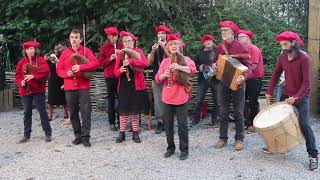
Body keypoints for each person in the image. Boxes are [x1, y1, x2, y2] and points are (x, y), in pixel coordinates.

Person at [265, 31, 318, 171]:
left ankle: (313, 156)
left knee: (304, 124)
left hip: (302, 96)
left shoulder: (304, 58)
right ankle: (275, 147)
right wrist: (269, 91)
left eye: (285, 44)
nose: (283, 47)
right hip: (286, 94)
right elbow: (276, 73)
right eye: (281, 44)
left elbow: (307, 83)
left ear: (293, 43)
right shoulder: (282, 56)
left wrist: (296, 97)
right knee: (275, 120)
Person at [211, 21, 253, 151]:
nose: (223, 33)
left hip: (238, 82)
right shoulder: (219, 47)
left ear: (233, 33)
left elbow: (249, 66)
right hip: (223, 82)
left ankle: (239, 139)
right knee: (223, 111)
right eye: (222, 30)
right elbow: (214, 63)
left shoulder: (240, 46)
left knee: (238, 112)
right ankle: (223, 138)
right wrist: (214, 66)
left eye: (226, 30)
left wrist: (243, 78)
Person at [156, 33, 196, 160]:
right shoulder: (165, 61)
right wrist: (164, 75)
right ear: (167, 47)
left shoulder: (187, 59)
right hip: (167, 98)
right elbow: (157, 78)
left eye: (176, 44)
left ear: (180, 46)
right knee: (168, 125)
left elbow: (192, 70)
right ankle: (170, 148)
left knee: (182, 125)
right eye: (171, 44)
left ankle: (184, 150)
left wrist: (178, 66)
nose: (173, 46)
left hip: (181, 98)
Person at [57, 29, 98, 147]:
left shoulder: (86, 51)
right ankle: (78, 136)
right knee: (73, 112)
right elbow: (59, 70)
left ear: (81, 39)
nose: (74, 39)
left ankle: (86, 137)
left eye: (76, 37)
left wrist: (81, 67)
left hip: (83, 86)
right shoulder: (65, 53)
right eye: (72, 37)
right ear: (69, 39)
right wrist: (66, 74)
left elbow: (95, 63)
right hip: (69, 86)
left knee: (86, 112)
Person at [15, 41, 52, 143]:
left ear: (35, 50)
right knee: (27, 112)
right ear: (25, 51)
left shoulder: (40, 60)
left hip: (38, 90)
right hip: (25, 90)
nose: (29, 51)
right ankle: (26, 135)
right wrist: (21, 82)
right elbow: (17, 76)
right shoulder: (21, 62)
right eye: (27, 49)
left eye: (31, 49)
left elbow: (46, 71)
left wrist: (33, 76)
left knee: (42, 111)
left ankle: (48, 133)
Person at [114, 31, 147, 143]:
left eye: (129, 41)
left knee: (134, 110)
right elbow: (114, 72)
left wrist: (131, 61)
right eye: (125, 41)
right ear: (122, 42)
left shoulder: (138, 51)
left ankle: (135, 133)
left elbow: (144, 64)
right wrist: (120, 70)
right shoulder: (120, 54)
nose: (127, 43)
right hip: (124, 85)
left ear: (133, 42)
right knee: (123, 110)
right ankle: (122, 133)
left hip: (136, 85)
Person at [237, 29, 265, 134]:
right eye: (238, 37)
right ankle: (244, 123)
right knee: (243, 101)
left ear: (248, 38)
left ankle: (253, 124)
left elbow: (252, 67)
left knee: (253, 102)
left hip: (254, 80)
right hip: (245, 79)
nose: (238, 39)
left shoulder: (254, 49)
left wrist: (241, 77)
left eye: (241, 37)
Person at [191, 34, 219, 127]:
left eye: (210, 40)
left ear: (213, 42)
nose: (208, 42)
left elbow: (222, 63)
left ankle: (215, 120)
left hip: (215, 79)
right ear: (203, 43)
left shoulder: (217, 52)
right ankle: (195, 120)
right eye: (206, 40)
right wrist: (200, 66)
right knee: (199, 100)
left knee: (217, 100)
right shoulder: (199, 53)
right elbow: (195, 63)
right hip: (202, 79)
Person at [147, 25, 172, 134]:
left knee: (168, 100)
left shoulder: (171, 45)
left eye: (163, 33)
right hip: (156, 77)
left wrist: (165, 48)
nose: (161, 35)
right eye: (159, 33)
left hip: (169, 77)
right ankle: (160, 122)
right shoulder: (153, 46)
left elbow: (174, 58)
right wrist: (153, 51)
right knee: (157, 100)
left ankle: (168, 122)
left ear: (166, 35)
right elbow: (149, 63)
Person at [98, 26, 123, 131]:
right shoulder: (104, 48)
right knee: (111, 100)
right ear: (108, 36)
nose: (114, 38)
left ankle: (121, 121)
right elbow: (100, 63)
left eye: (116, 36)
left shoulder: (121, 46)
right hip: (109, 77)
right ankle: (111, 122)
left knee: (121, 99)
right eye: (112, 36)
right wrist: (110, 59)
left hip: (120, 76)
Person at [45, 43, 70, 125]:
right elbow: (45, 67)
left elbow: (65, 66)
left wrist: (57, 62)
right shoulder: (50, 58)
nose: (57, 50)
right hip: (52, 80)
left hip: (61, 79)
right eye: (55, 49)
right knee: (51, 98)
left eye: (58, 49)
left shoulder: (62, 57)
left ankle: (66, 113)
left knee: (64, 98)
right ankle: (50, 114)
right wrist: (46, 59)